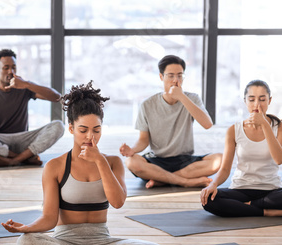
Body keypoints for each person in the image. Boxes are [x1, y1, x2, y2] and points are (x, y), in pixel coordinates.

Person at [2, 81, 167, 245]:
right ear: (71, 129)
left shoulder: (112, 162)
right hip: (65, 244)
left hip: (103, 242)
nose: (91, 137)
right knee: (26, 243)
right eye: (83, 130)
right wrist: (27, 228)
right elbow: (49, 218)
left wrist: (99, 160)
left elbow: (117, 202)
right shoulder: (55, 166)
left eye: (96, 130)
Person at [120, 55, 222, 188]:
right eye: (171, 76)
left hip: (185, 160)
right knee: (131, 162)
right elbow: (143, 139)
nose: (176, 80)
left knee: (219, 159)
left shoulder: (192, 98)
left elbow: (207, 124)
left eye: (180, 75)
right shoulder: (147, 105)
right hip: (157, 160)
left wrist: (181, 97)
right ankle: (185, 181)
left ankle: (160, 180)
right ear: (161, 77)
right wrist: (132, 150)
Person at [201, 80, 282, 217]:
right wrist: (213, 184)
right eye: (251, 99)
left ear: (269, 100)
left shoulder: (278, 127)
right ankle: (266, 212)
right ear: (245, 101)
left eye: (262, 99)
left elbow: (279, 159)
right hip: (241, 189)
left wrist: (265, 125)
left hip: (271, 190)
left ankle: (248, 206)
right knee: (209, 199)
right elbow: (225, 169)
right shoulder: (234, 130)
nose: (257, 104)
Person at [0, 48, 65, 167]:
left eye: (14, 67)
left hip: (23, 140)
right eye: (6, 68)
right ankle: (25, 158)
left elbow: (56, 97)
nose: (10, 71)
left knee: (58, 126)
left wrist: (27, 84)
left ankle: (13, 160)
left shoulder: (24, 88)